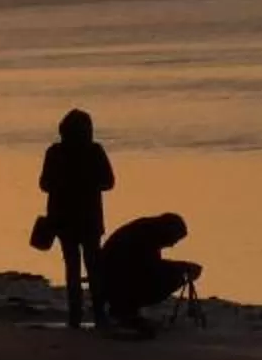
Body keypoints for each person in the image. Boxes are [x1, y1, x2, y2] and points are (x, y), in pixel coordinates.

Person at [36, 107, 115, 330]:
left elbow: (44, 184)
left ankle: (76, 316)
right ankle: (98, 314)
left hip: (65, 218)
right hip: (86, 218)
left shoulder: (55, 152)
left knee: (73, 267)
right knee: (92, 267)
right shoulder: (94, 151)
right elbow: (108, 182)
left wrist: (64, 185)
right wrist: (87, 184)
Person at [95, 212, 201, 338]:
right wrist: (182, 268)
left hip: (114, 277)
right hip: (116, 280)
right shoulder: (146, 236)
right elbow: (149, 267)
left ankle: (125, 308)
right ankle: (124, 309)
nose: (172, 245)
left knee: (168, 276)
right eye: (174, 240)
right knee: (170, 279)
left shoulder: (146, 231)